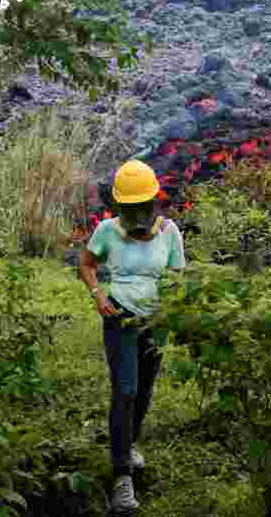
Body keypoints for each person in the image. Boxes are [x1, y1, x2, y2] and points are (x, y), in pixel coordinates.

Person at [78, 159, 186, 513]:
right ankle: (121, 477)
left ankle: (129, 443)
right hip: (120, 319)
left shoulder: (170, 233)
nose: (138, 214)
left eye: (143, 207)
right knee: (125, 390)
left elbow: (176, 277)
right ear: (120, 207)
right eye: (131, 208)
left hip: (156, 322)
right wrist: (99, 295)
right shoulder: (108, 230)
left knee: (144, 389)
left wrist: (172, 306)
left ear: (153, 202)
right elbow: (87, 264)